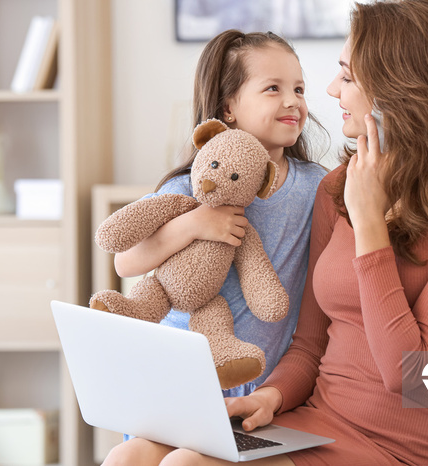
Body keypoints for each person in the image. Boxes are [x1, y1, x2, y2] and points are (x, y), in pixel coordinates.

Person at [105, 0, 428, 464]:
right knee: (133, 455)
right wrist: (271, 396)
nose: (329, 91)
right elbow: (311, 344)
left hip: (404, 444)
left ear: (403, 86)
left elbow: (413, 374)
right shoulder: (336, 186)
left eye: (346, 76)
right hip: (313, 421)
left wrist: (369, 226)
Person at [102, 28, 328, 463]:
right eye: (272, 89)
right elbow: (125, 262)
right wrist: (193, 224)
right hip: (178, 379)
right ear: (229, 107)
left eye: (299, 88)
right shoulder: (189, 187)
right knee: (125, 458)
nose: (292, 101)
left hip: (251, 382)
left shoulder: (315, 187)